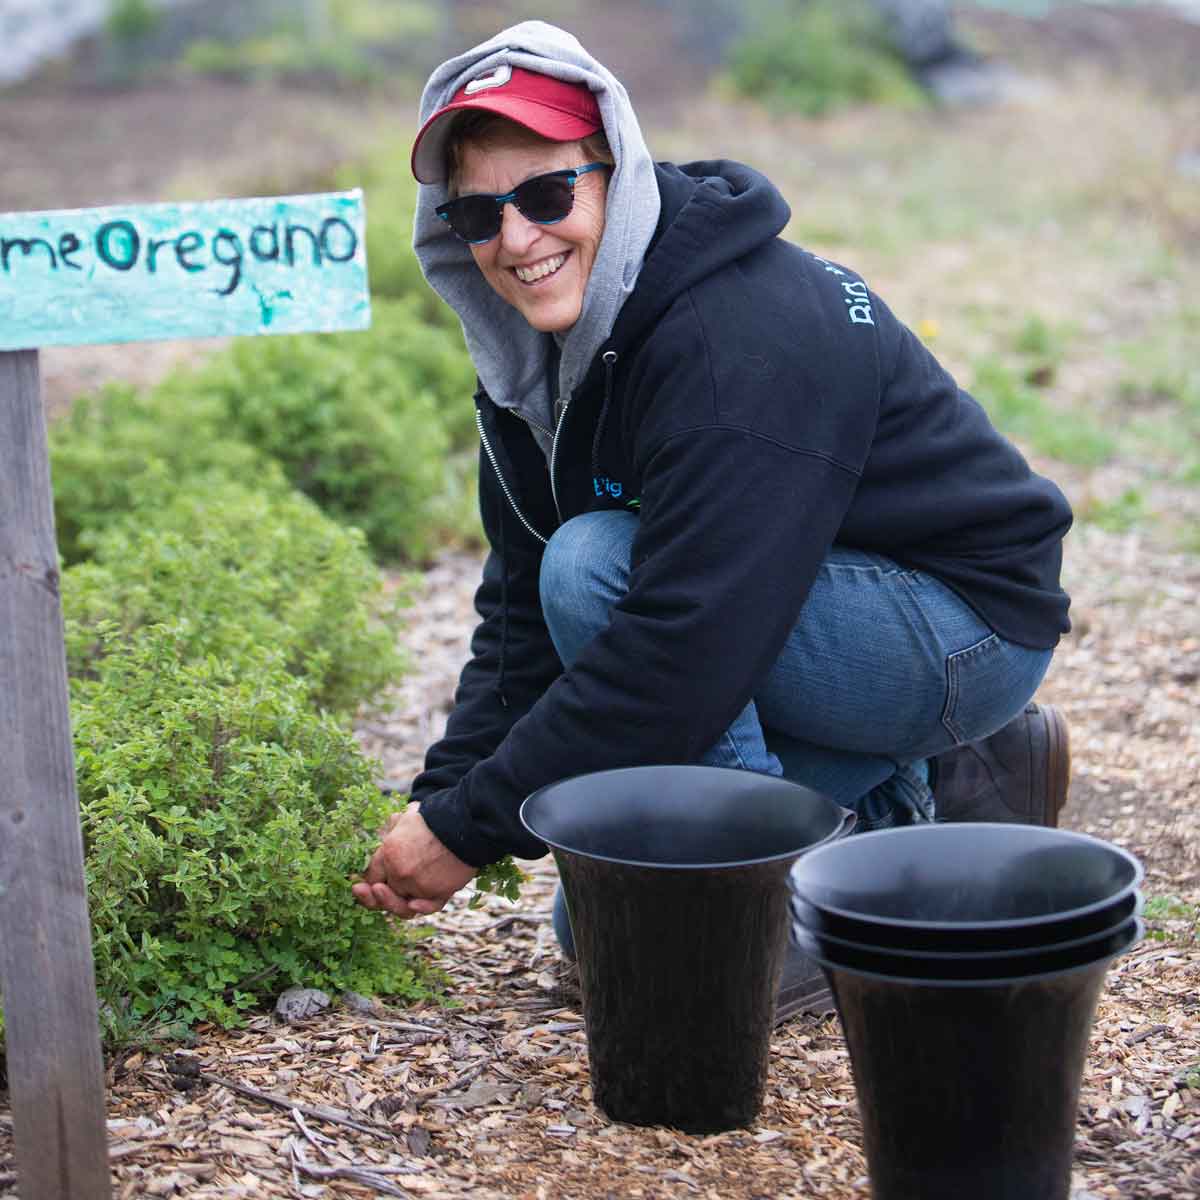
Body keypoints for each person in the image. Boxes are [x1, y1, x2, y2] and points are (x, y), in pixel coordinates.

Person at [351, 21, 1073, 1017]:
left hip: (962, 625)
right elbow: (516, 608)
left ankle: (775, 895)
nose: (516, 239)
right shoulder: (538, 366)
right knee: (595, 917)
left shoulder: (729, 341)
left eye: (548, 194)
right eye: (478, 213)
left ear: (616, 171)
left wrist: (470, 831)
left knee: (594, 566)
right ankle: (946, 783)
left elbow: (681, 648)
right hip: (801, 596)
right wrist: (442, 799)